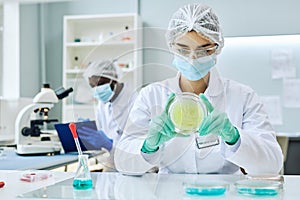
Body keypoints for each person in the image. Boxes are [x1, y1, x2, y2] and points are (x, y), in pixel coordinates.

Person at [115, 4, 283, 175]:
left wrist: (234, 137)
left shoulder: (243, 96)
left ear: (216, 48)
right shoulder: (151, 95)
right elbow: (123, 163)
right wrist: (148, 147)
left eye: (204, 50)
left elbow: (272, 165)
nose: (192, 58)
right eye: (183, 49)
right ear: (171, 46)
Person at [78, 59, 137, 171]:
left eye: (100, 84)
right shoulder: (102, 103)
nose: (97, 89)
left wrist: (111, 145)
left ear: (113, 79)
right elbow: (104, 132)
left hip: (132, 167)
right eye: (92, 86)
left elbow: (138, 149)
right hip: (112, 164)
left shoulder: (135, 101)